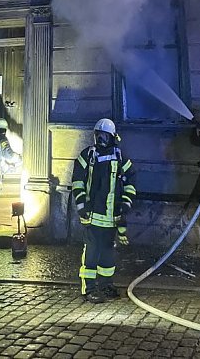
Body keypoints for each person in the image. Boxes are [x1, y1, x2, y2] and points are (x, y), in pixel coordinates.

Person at [71, 118, 136, 303]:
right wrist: (82, 206)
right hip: (92, 216)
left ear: (112, 137)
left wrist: (125, 204)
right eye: (98, 135)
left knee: (107, 253)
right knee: (91, 253)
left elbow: (131, 181)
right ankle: (89, 289)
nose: (101, 139)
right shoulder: (87, 156)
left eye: (104, 135)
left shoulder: (120, 157)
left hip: (111, 217)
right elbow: (77, 181)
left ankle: (106, 285)